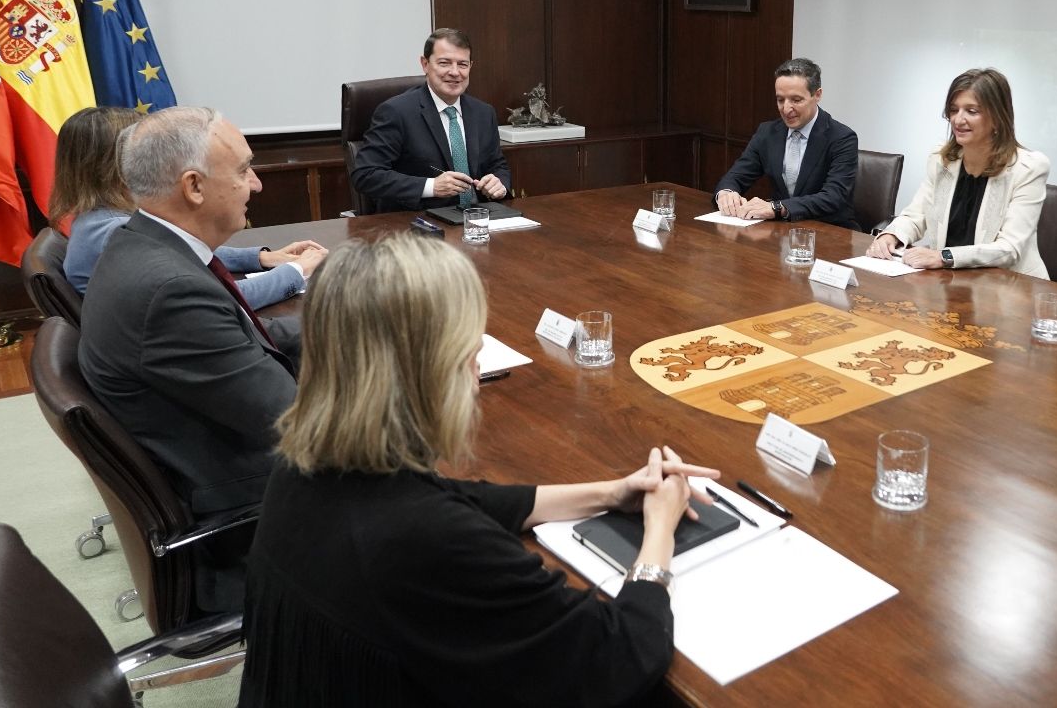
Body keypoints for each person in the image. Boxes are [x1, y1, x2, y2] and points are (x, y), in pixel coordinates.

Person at [237, 234, 719, 707]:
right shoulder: (428, 540)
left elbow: (452, 497)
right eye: (469, 352)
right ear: (432, 372)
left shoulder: (304, 465)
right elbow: (620, 657)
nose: (476, 371)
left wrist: (614, 492)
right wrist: (660, 533)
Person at [79, 107, 301, 612]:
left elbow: (249, 338)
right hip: (254, 515)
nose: (257, 184)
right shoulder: (170, 291)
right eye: (244, 170)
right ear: (194, 187)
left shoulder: (144, 247)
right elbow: (298, 420)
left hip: (220, 467)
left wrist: (370, 335)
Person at [49, 106, 324, 303]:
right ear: (121, 165)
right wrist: (298, 271)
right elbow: (230, 302)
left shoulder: (99, 219)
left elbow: (185, 248)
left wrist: (261, 258)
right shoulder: (117, 233)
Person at [867, 68, 1049, 276]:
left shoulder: (1029, 168)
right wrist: (892, 235)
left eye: (972, 111)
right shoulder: (942, 160)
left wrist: (943, 257)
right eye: (954, 110)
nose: (958, 119)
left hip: (1011, 289)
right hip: (952, 282)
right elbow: (916, 215)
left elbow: (1008, 250)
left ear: (998, 118)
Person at [350, 28, 511, 213]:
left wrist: (500, 183)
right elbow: (366, 175)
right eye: (444, 63)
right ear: (425, 64)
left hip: (477, 219)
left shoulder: (483, 112)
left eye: (462, 64)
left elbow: (497, 164)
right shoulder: (396, 112)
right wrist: (431, 186)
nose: (455, 72)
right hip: (418, 224)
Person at [713, 57, 859, 228]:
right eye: (780, 99)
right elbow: (736, 176)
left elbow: (833, 197)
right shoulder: (767, 132)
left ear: (817, 95)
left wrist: (777, 207)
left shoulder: (842, 137)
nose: (786, 109)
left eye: (796, 100)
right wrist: (726, 194)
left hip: (829, 232)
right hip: (781, 231)